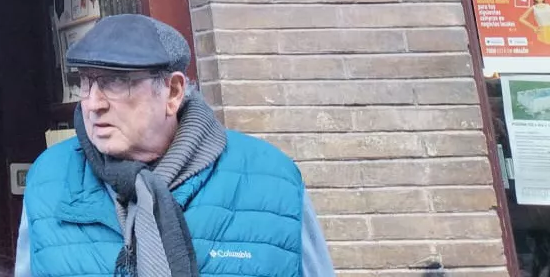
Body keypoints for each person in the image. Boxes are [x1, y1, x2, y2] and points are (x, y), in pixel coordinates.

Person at [17, 14, 335, 277]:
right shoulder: (51, 178)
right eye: (86, 82)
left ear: (172, 92)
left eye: (115, 82)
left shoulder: (270, 179)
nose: (93, 103)